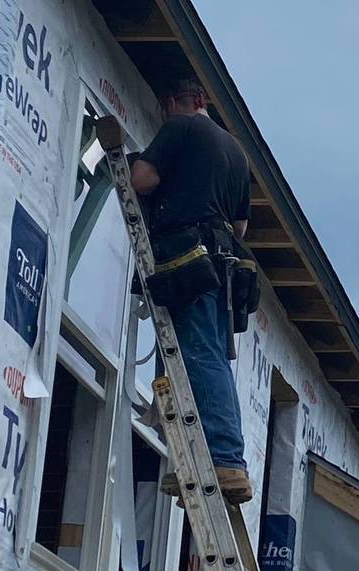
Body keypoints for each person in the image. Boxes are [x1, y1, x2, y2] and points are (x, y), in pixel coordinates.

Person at [131, 77, 253, 504]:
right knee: (201, 357)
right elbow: (240, 228)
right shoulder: (236, 152)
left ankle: (224, 459)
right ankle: (195, 463)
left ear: (172, 102)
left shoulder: (179, 127)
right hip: (221, 268)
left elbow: (143, 179)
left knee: (197, 355)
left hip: (187, 257)